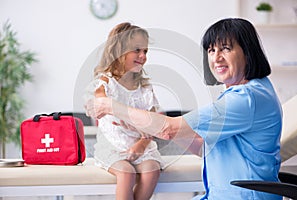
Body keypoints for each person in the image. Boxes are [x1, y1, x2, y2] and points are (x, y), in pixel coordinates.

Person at [86, 18, 282, 200]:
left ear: (247, 52)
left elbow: (168, 128)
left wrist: (111, 107)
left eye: (226, 49)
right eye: (211, 50)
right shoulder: (254, 91)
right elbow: (203, 149)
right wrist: (160, 127)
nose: (216, 58)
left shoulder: (245, 99)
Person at [87, 22, 164, 200]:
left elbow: (153, 124)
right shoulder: (106, 81)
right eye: (137, 50)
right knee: (127, 173)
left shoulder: (144, 87)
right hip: (113, 146)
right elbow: (100, 99)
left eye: (145, 51)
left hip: (141, 145)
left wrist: (141, 145)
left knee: (152, 171)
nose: (143, 56)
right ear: (118, 51)